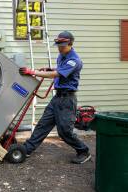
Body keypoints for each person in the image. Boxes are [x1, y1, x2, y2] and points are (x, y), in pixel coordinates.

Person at [19, 31, 91, 164]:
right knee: (43, 124)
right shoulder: (62, 56)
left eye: (62, 45)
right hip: (57, 98)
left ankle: (83, 151)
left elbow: (56, 74)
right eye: (58, 45)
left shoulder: (74, 60)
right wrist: (49, 68)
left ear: (70, 43)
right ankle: (27, 149)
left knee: (64, 131)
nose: (60, 47)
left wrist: (33, 72)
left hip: (67, 100)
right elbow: (58, 70)